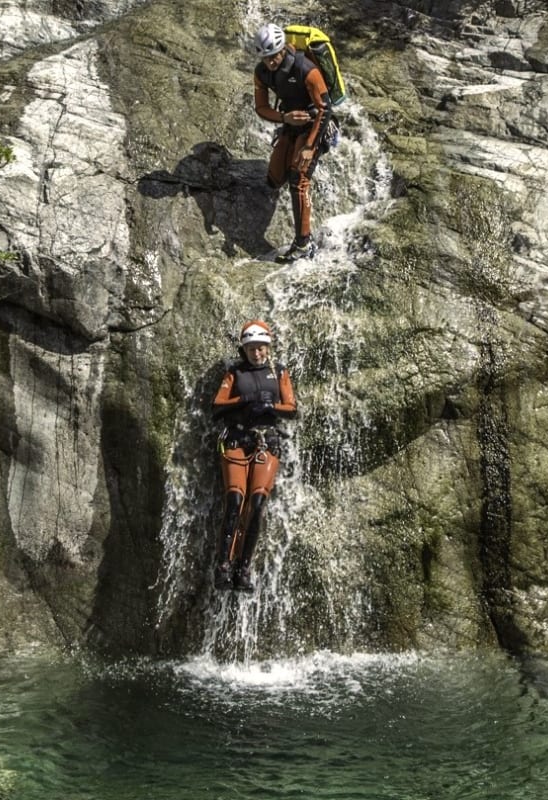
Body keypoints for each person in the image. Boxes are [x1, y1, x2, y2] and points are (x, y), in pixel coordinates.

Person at [212, 320, 297, 591]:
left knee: (257, 505)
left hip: (265, 444)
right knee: (235, 500)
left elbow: (292, 409)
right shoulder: (234, 373)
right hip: (237, 440)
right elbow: (217, 407)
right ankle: (223, 565)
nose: (256, 353)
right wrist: (244, 401)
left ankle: (244, 569)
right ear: (245, 349)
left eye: (260, 349)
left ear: (268, 348)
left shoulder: (279, 372)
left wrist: (270, 405)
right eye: (251, 349)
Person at [253, 23, 332, 263]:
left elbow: (325, 109)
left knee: (298, 180)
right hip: (290, 123)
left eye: (275, 55)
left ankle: (303, 244)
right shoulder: (262, 72)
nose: (271, 61)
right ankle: (293, 158)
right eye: (266, 57)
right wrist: (284, 118)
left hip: (314, 126)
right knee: (274, 179)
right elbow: (262, 108)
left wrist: (308, 147)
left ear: (283, 49)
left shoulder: (305, 69)